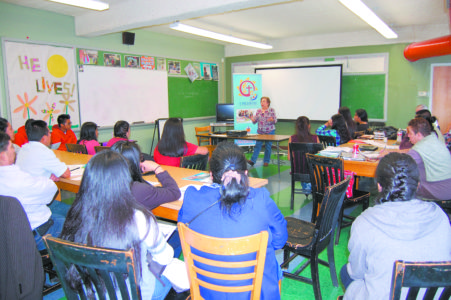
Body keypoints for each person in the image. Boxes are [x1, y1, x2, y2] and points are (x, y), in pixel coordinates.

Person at [178, 142, 288, 300]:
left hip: (206, 291)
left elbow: (183, 232)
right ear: (245, 173)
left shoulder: (191, 197)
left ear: (211, 175)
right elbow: (280, 240)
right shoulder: (261, 199)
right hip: (253, 293)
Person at [60, 151, 174, 299]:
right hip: (135, 294)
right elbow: (165, 258)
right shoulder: (139, 217)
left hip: (91, 293)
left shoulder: (76, 214)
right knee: (172, 275)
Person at [341, 152, 451, 300]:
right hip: (434, 296)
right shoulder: (440, 216)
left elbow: (356, 273)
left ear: (379, 186)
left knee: (345, 272)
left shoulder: (364, 222)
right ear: (418, 185)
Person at [0, 132, 65, 251]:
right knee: (75, 223)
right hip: (36, 234)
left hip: (8, 237)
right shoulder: (18, 180)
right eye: (11, 147)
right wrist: (47, 179)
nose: (14, 151)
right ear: (3, 156)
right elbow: (50, 191)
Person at [406, 117, 451, 200]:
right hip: (447, 186)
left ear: (418, 134)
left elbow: (401, 165)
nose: (408, 136)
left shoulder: (419, 149)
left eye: (410, 133)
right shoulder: (433, 140)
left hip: (439, 191)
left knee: (402, 183)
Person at [248, 96, 277, 167]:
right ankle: (252, 160)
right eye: (261, 101)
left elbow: (275, 120)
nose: (262, 103)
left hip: (270, 131)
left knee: (268, 147)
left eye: (264, 101)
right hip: (260, 131)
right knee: (257, 146)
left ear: (268, 103)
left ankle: (266, 161)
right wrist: (252, 118)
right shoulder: (258, 111)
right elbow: (255, 121)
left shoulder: (271, 110)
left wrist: (272, 120)